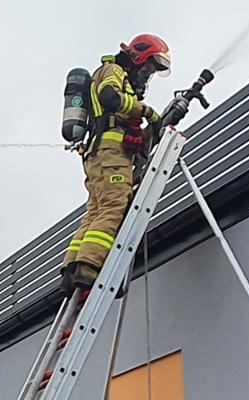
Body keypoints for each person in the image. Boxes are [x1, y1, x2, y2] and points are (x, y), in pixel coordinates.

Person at [62, 34, 172, 289]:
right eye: (148, 66)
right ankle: (90, 267)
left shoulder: (118, 78)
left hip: (98, 154)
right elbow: (110, 98)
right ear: (137, 56)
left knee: (96, 211)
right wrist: (147, 112)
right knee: (115, 205)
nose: (147, 74)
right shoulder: (112, 70)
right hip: (110, 152)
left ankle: (73, 268)